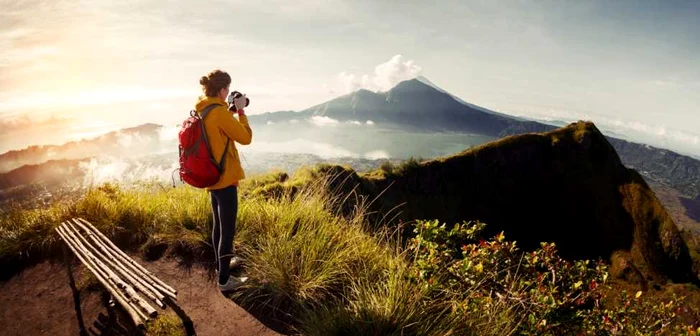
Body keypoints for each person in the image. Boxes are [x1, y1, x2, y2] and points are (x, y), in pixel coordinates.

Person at [196, 69, 252, 291]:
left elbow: (218, 130)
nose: (229, 91)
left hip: (212, 176)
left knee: (219, 226)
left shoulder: (206, 109)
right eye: (227, 88)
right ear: (221, 89)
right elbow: (245, 138)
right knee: (227, 230)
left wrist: (228, 109)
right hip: (225, 177)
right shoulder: (219, 113)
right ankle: (225, 281)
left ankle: (222, 265)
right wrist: (240, 112)